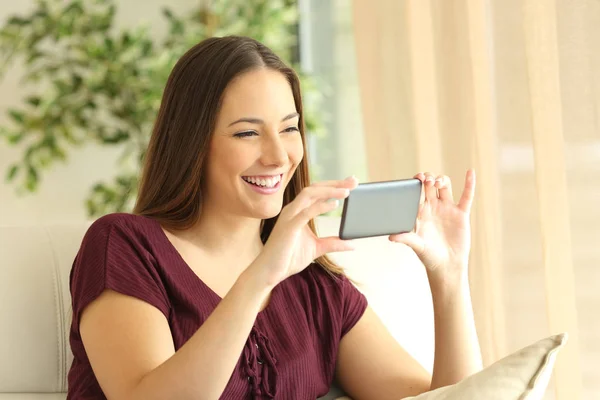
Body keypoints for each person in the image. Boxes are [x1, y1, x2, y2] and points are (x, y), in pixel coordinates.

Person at [66, 35, 483, 400]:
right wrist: (262, 274)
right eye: (247, 133)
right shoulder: (125, 245)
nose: (278, 156)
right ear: (193, 143)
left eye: (289, 129)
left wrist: (449, 274)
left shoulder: (318, 289)